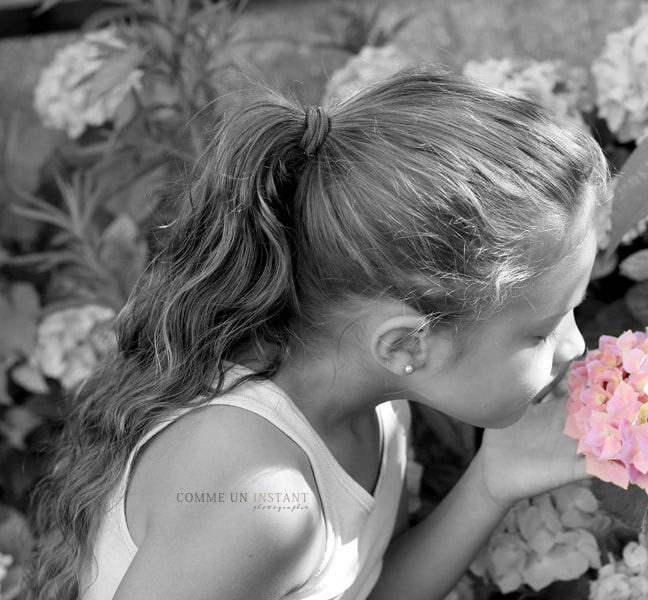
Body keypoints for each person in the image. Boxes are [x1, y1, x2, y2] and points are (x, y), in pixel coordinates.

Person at [26, 66, 612, 600]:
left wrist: (490, 483)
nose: (576, 345)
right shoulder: (255, 498)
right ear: (407, 344)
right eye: (540, 332)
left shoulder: (373, 398)